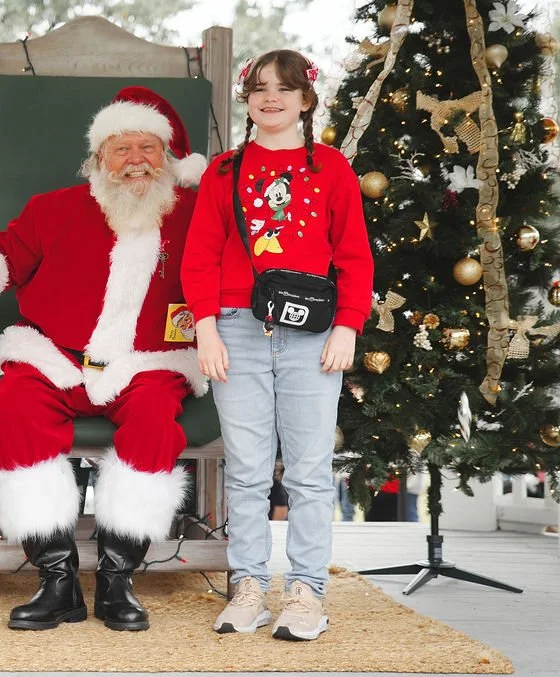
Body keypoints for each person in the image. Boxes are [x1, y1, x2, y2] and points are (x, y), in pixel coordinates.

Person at [0, 86, 209, 631]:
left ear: (169, 158)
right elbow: (4, 252)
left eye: (148, 147)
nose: (135, 160)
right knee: (18, 411)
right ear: (98, 159)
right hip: (55, 357)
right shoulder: (54, 208)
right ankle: (56, 579)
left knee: (155, 424)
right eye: (121, 148)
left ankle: (117, 580)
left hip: (148, 363)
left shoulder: (197, 216)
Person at [181, 50, 374, 641]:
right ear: (247, 98)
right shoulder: (225, 170)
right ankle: (248, 586)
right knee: (245, 469)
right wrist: (207, 327)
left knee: (310, 471)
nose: (271, 97)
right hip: (237, 327)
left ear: (306, 99)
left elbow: (355, 256)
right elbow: (201, 255)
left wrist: (347, 325)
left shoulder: (332, 168)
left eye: (284, 89)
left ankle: (306, 592)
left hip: (311, 333)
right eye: (260, 87)